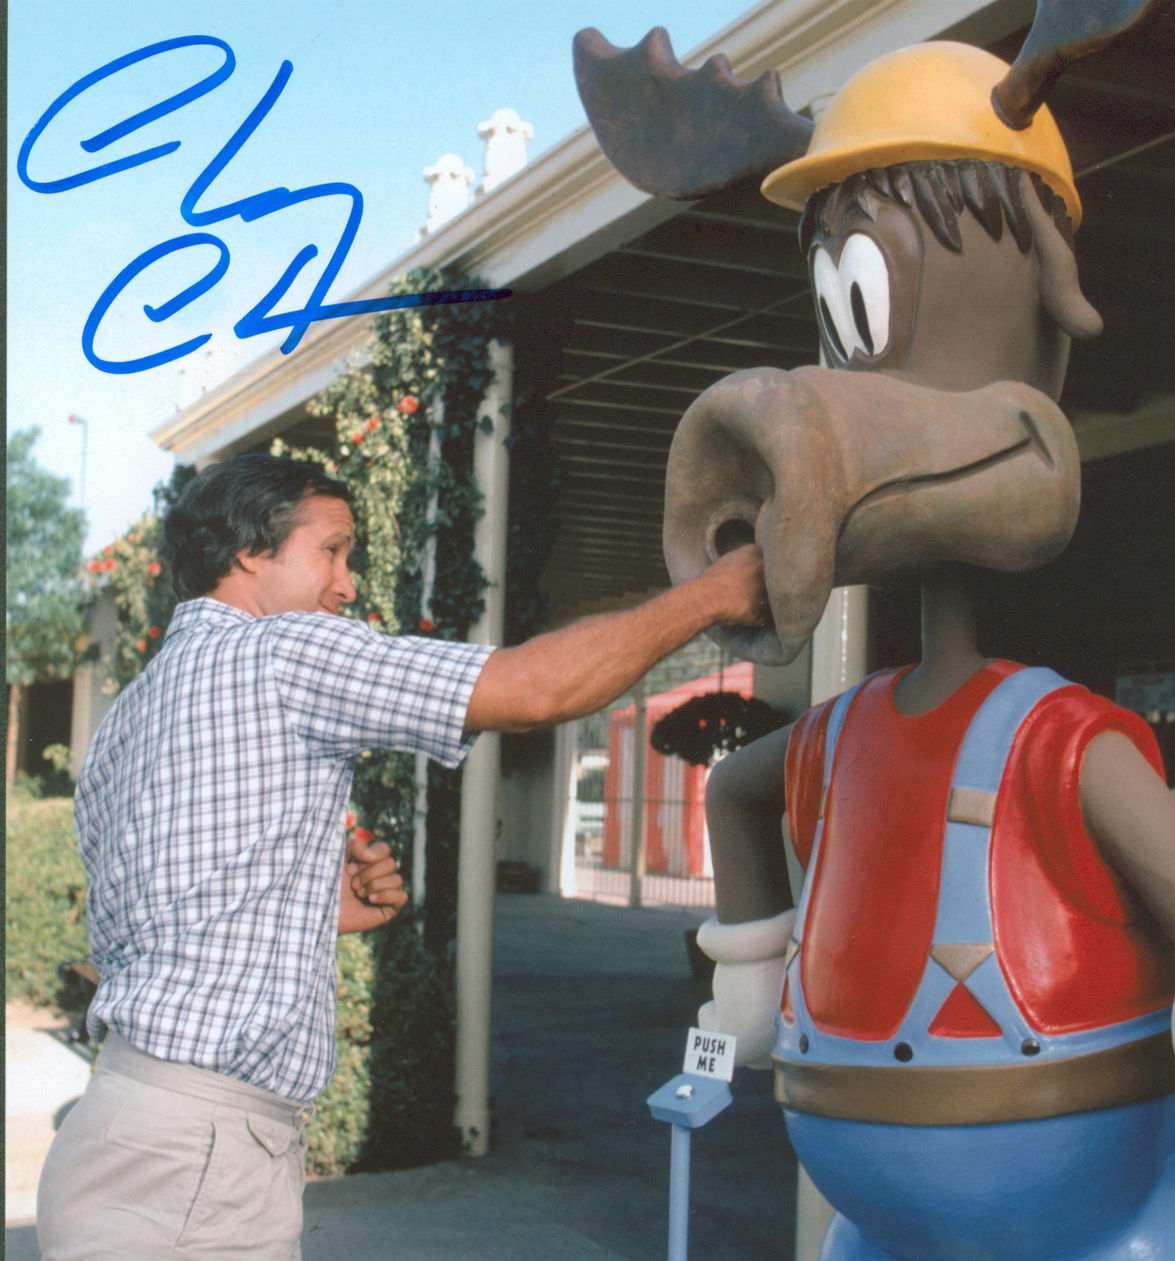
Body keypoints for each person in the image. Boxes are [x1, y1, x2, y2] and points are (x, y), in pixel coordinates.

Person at [35, 452, 766, 1260]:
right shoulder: (284, 653)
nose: (348, 586)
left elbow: (154, 918)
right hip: (202, 1159)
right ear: (249, 551)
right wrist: (716, 592)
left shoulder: (125, 717)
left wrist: (308, 899)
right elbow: (534, 688)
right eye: (333, 550)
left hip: (114, 1125)